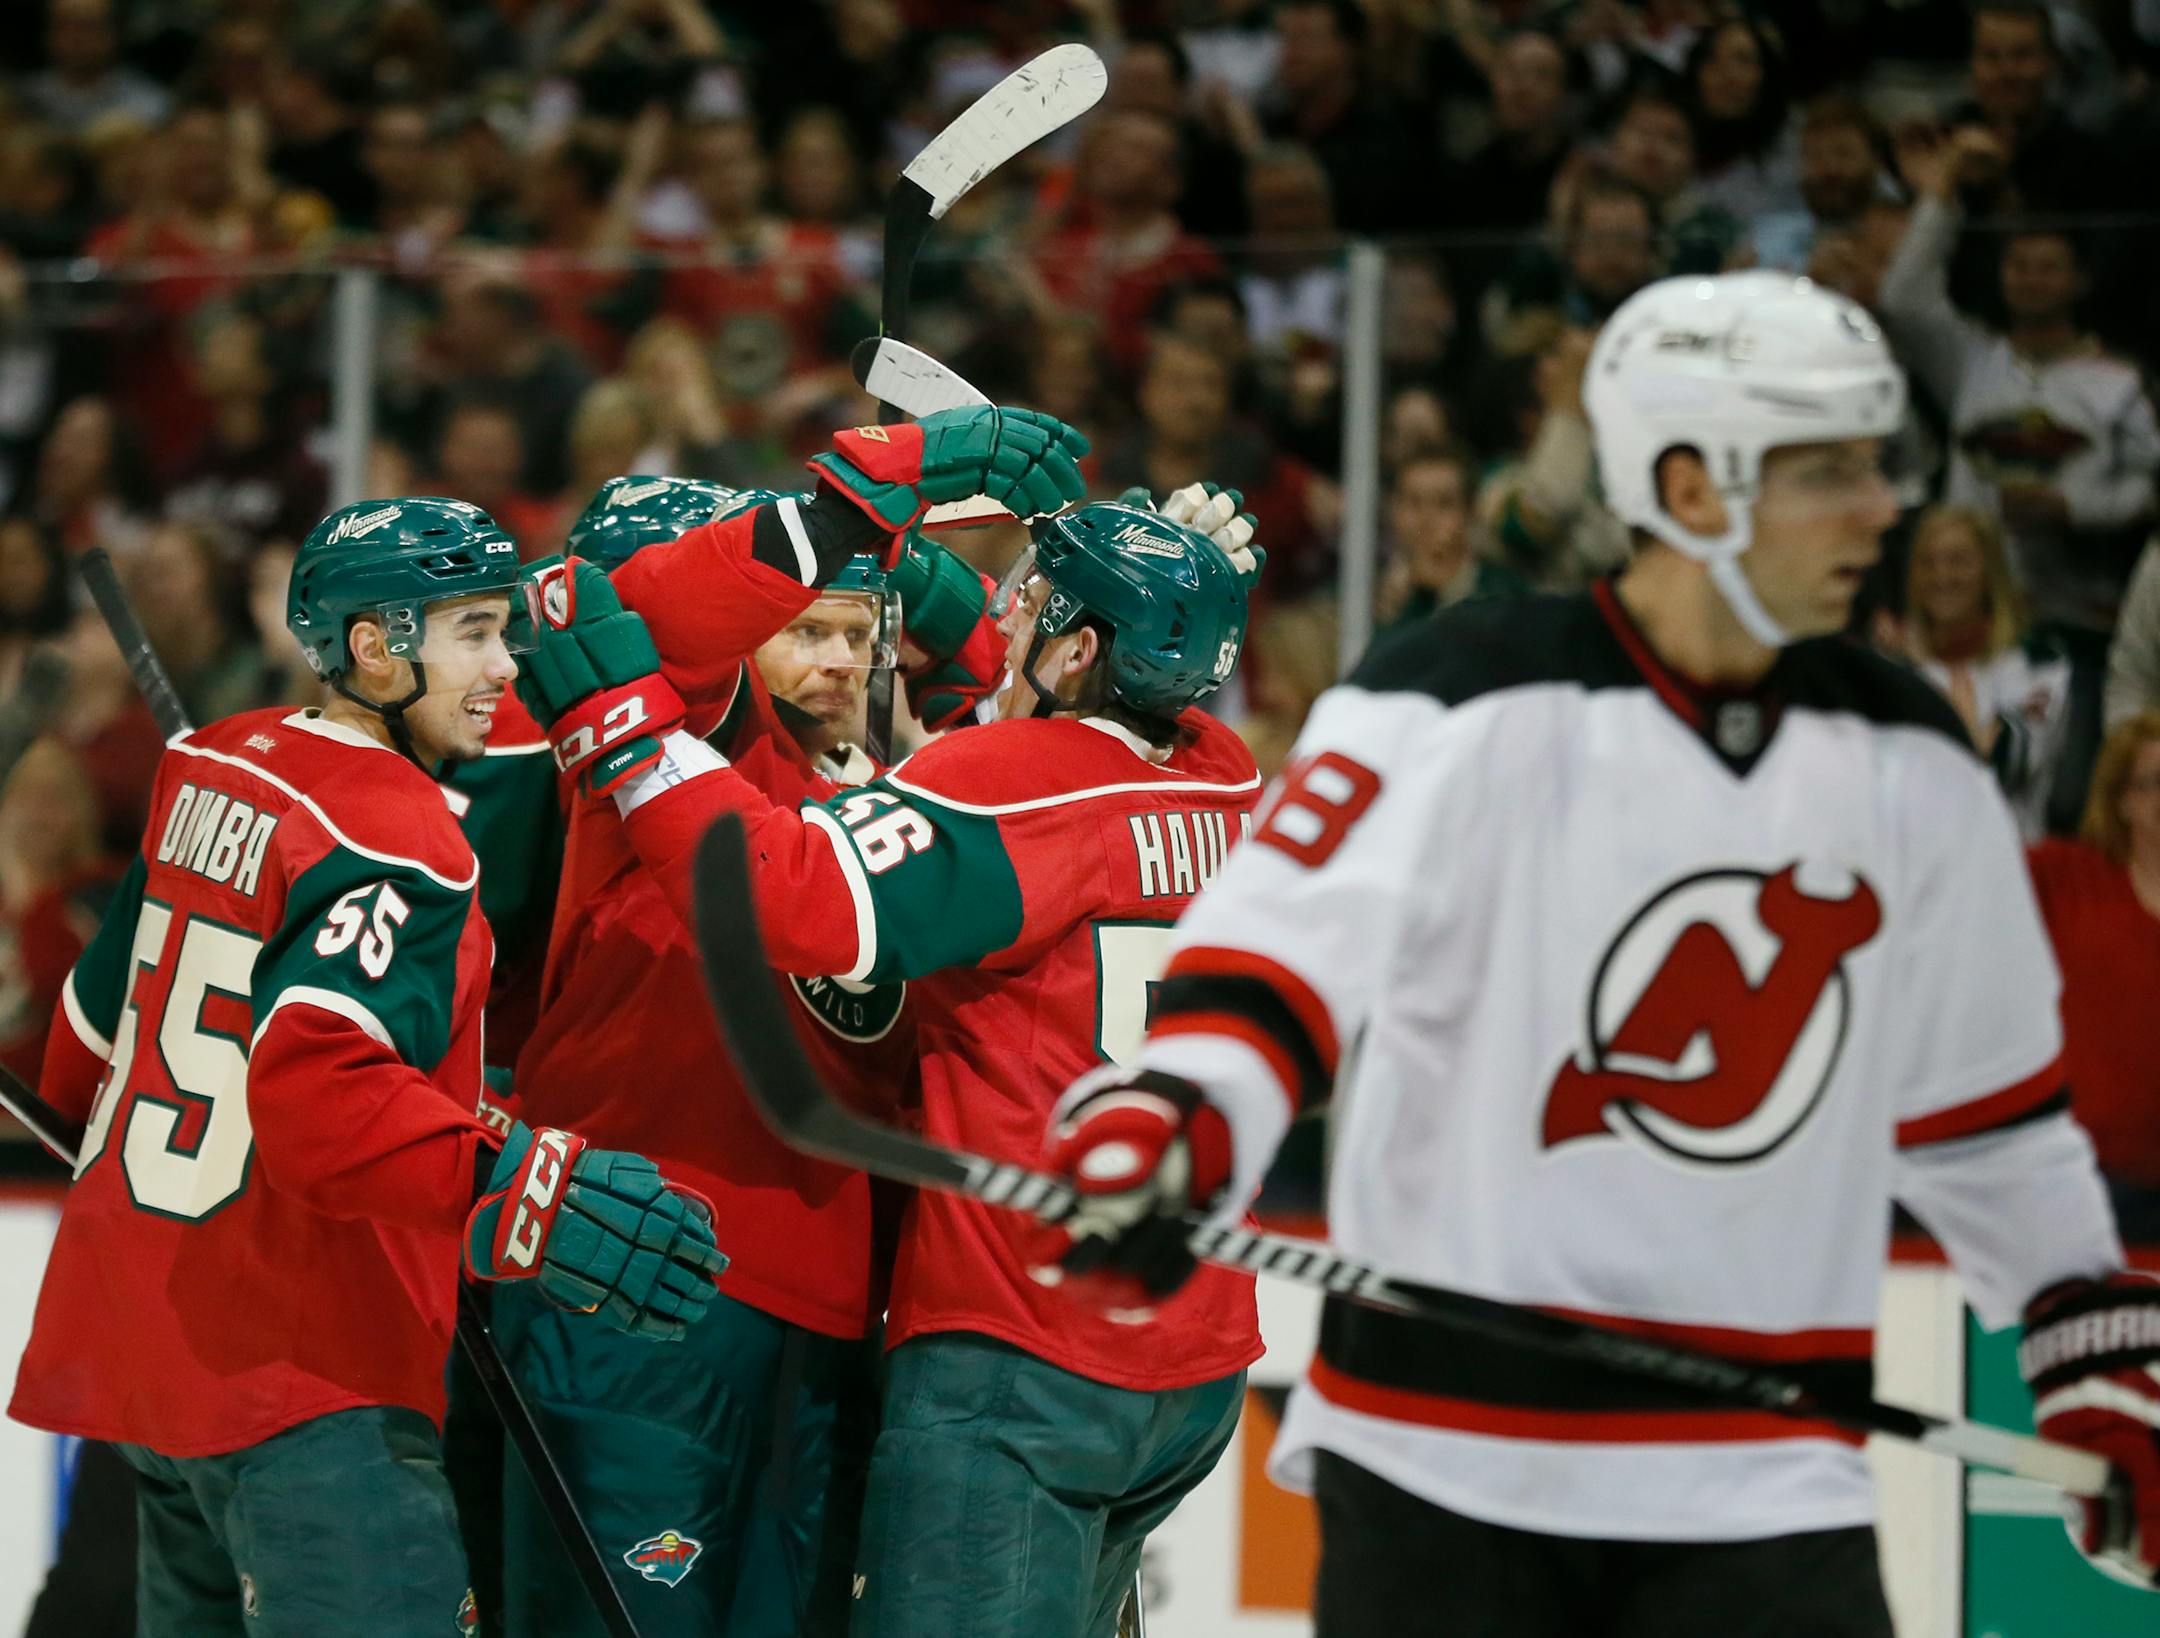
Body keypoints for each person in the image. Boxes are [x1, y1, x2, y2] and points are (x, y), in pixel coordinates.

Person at [1034, 271, 2160, 1632]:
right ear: (1692, 489)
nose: (1884, 506)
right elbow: (1277, 970)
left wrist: (2083, 1339)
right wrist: (1179, 1125)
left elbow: (1990, 1119)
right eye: (1831, 471)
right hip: (1446, 1479)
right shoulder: (1450, 694)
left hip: (1769, 1489)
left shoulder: (1912, 756)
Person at [518, 474, 1270, 1638]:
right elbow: (1021, 720)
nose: (1006, 612)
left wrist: (628, 736)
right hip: (1190, 1353)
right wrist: (1150, 577)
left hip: (1025, 1347)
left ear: (1079, 652)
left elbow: (785, 894)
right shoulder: (1221, 768)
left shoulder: (1015, 785)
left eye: (1036, 602)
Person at [8, 497, 726, 1637]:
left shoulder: (210, 760)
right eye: (474, 633)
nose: (505, 667)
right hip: (303, 1378)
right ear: (376, 647)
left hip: (151, 1353)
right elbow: (321, 1098)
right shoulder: (399, 835)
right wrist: (519, 1183)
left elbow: (88, 1037)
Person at [2029, 712, 2160, 1243]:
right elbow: (1967, 867)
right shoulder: (2066, 878)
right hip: (2088, 1180)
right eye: (2156, 782)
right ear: (2123, 800)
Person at [1896, 502, 2069, 839]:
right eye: (1927, 563)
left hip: (2011, 853)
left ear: (1990, 570)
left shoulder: (2039, 663)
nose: (1942, 577)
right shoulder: (1893, 666)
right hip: (1914, 853)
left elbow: (2008, 763)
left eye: (1959, 561)